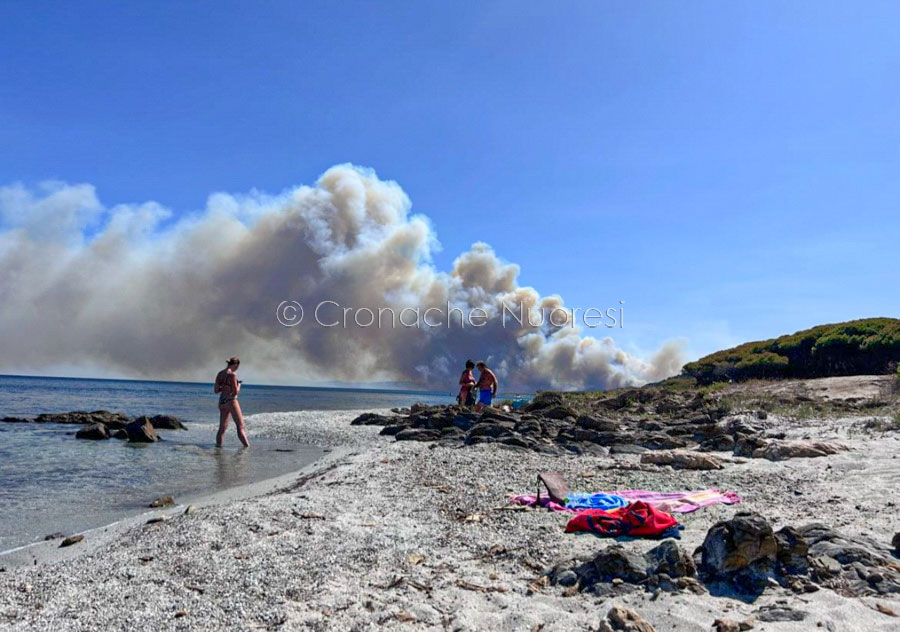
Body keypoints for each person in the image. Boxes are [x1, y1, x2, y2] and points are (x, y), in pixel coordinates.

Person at [214, 356, 250, 447]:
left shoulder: (220, 374)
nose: (237, 368)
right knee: (240, 426)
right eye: (237, 366)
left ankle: (218, 449)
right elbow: (234, 392)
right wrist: (239, 385)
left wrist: (224, 387)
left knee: (222, 428)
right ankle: (247, 448)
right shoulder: (232, 375)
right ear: (235, 364)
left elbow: (216, 390)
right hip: (231, 401)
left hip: (222, 401)